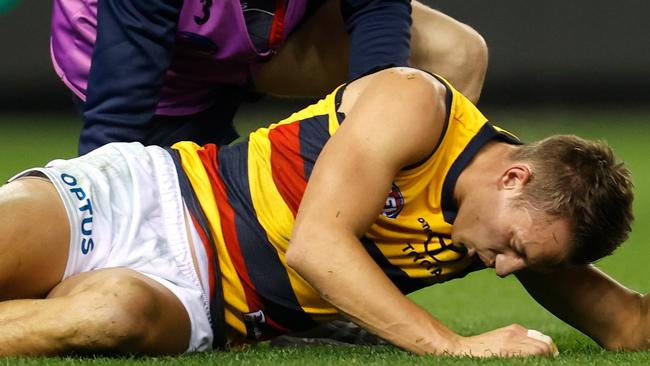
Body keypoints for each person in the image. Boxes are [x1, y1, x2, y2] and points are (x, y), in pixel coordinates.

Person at [0, 67, 641, 356]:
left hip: (197, 305)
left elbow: (628, 326)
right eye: (515, 250)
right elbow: (317, 246)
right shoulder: (417, 105)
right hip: (152, 196)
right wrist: (455, 346)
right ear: (513, 175)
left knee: (112, 317)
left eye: (522, 259)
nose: (504, 270)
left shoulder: (524, 225)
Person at [51, 0, 488, 155]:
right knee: (175, 231)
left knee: (453, 52)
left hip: (272, 32)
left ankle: (362, 255)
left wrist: (370, 152)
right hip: (152, 63)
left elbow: (377, 10)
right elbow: (117, 124)